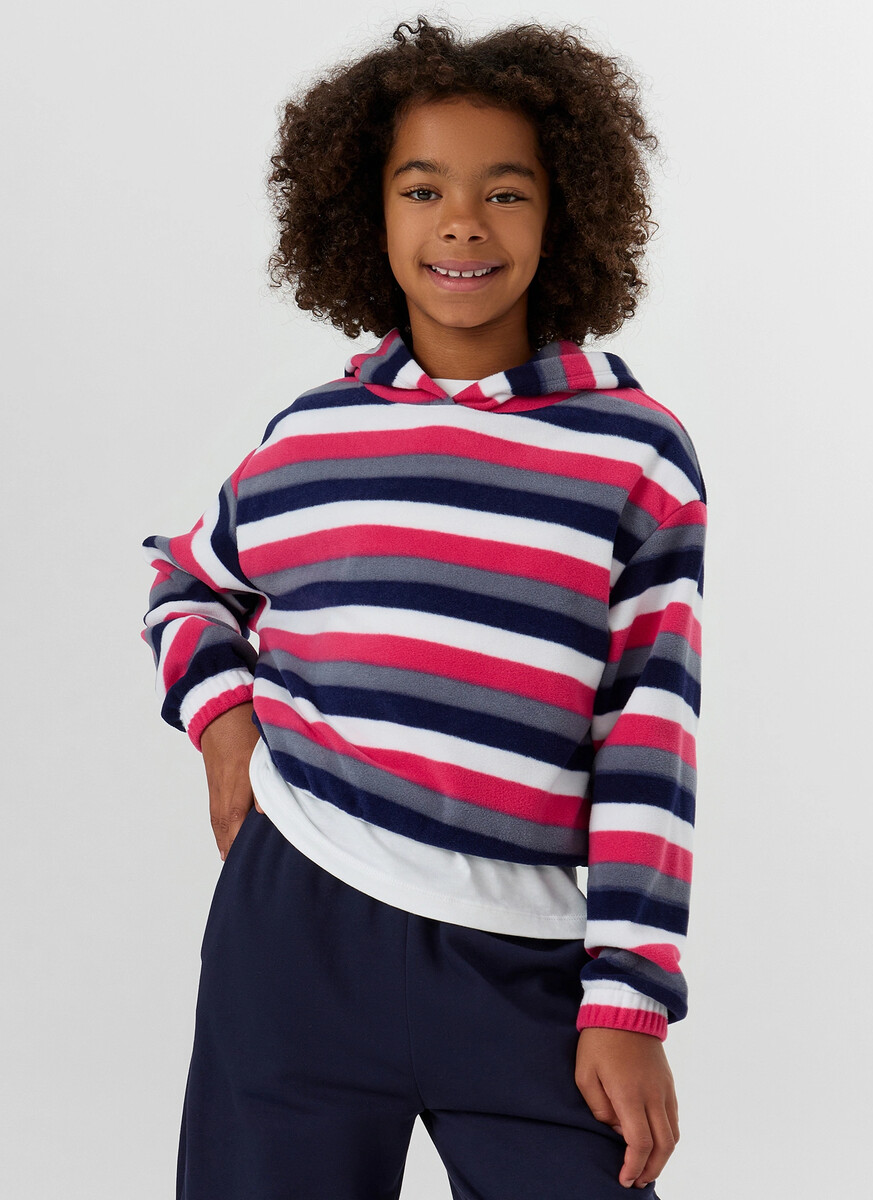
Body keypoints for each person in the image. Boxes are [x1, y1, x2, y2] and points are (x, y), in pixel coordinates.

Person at [141, 16, 707, 1199]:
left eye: (505, 191)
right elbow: (189, 579)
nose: (462, 222)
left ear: (564, 213)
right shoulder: (315, 436)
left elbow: (649, 735)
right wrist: (225, 730)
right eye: (422, 189)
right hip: (294, 931)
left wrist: (631, 1000)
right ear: (369, 213)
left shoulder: (634, 454)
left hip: (524, 966)